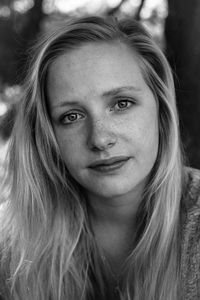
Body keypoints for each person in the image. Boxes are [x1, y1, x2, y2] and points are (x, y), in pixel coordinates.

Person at [0, 15, 200, 300]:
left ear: (162, 110)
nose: (100, 139)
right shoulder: (10, 241)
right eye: (71, 116)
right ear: (47, 135)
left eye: (122, 103)